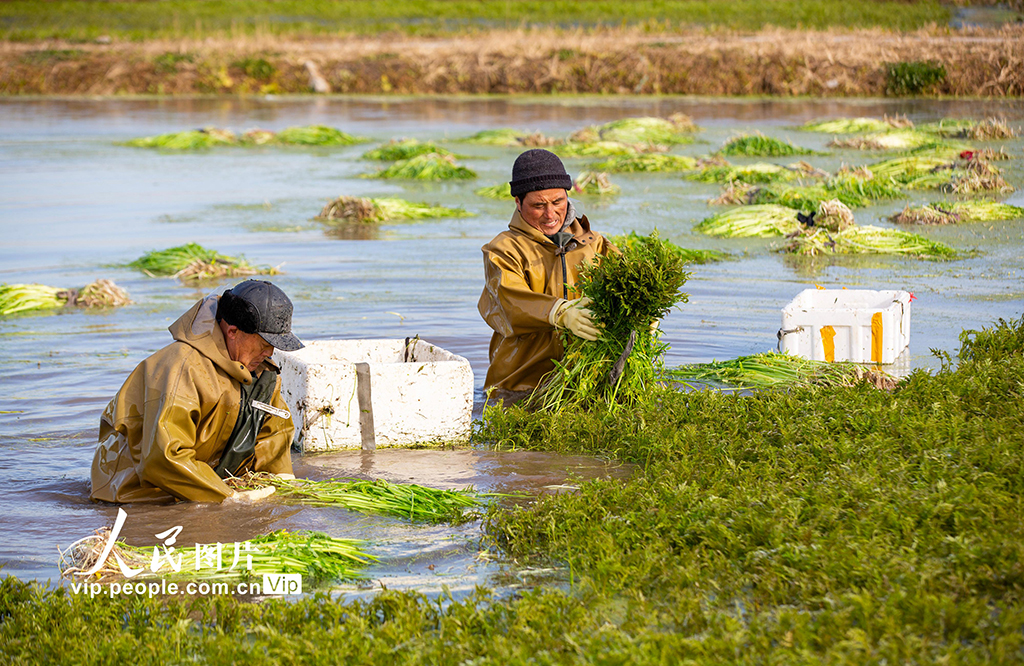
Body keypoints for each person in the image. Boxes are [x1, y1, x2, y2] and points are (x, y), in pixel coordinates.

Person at [90, 280, 304, 504]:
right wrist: (228, 497)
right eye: (264, 343)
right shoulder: (182, 367)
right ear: (232, 331)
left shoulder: (261, 372)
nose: (270, 352)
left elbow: (273, 432)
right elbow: (164, 457)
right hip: (140, 498)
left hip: (207, 487)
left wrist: (282, 480)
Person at [478, 148, 618, 402]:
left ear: (567, 196)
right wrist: (560, 312)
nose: (551, 214)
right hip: (518, 386)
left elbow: (626, 285)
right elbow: (509, 302)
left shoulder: (595, 245)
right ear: (518, 203)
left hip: (585, 382)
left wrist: (645, 314)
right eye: (538, 205)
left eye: (557, 202)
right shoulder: (502, 250)